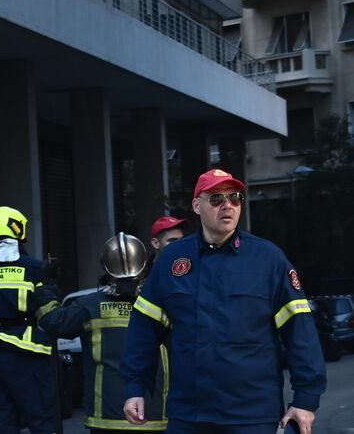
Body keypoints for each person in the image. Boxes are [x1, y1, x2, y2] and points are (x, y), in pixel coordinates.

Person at [121, 169, 327, 434]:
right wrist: (135, 387)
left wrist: (306, 401)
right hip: (189, 416)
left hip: (251, 416)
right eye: (217, 198)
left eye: (235, 198)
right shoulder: (172, 261)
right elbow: (144, 331)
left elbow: (301, 332)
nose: (228, 205)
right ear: (197, 205)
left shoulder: (268, 259)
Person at [33, 232, 168, 432]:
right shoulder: (162, 303)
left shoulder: (90, 306)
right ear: (144, 266)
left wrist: (45, 285)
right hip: (153, 415)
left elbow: (52, 321)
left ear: (105, 267)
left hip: (106, 417)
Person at [0, 205, 57, 434]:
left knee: (1, 423)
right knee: (42, 421)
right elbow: (46, 304)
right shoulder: (34, 267)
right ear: (16, 228)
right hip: (26, 353)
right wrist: (49, 279)